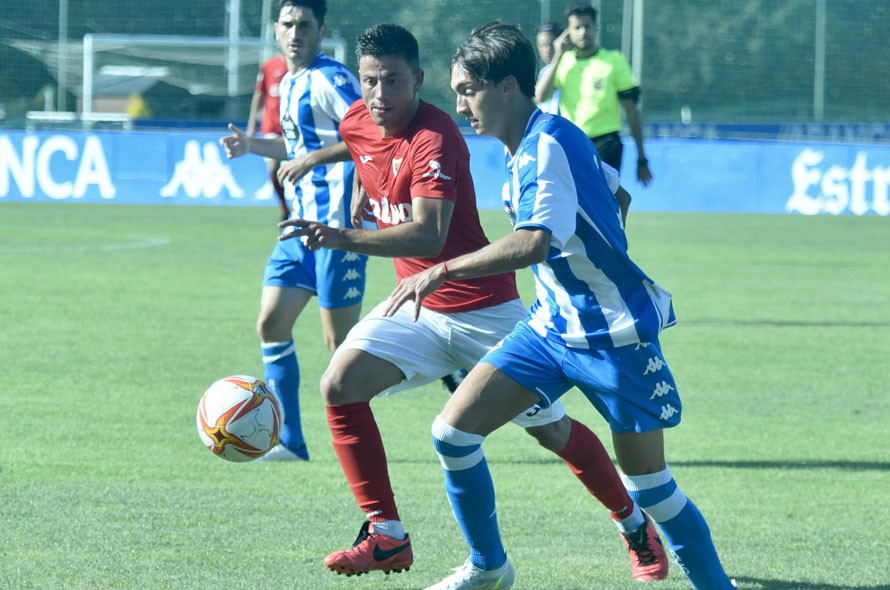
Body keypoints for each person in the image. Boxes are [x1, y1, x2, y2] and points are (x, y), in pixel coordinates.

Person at [278, 22, 667, 582]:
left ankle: (633, 525)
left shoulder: (438, 137)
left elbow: (428, 235)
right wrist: (362, 186)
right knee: (338, 383)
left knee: (552, 431)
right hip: (417, 305)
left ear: (418, 79)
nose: (380, 95)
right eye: (369, 81)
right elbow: (364, 143)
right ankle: (386, 532)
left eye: (393, 81)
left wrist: (342, 235)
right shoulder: (359, 120)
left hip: (486, 310)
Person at [386, 22, 734, 590]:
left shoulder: (545, 144)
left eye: (468, 89)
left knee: (652, 488)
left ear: (507, 88)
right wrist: (598, 250)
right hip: (548, 330)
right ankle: (488, 567)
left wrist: (443, 269)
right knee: (453, 433)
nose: (459, 104)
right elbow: (615, 192)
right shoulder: (534, 140)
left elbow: (533, 244)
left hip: (613, 336)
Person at [219, 0, 366, 462]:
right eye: (288, 24)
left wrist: (335, 174)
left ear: (322, 30)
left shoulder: (331, 78)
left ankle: (378, 413)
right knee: (271, 321)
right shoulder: (288, 80)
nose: (295, 32)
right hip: (297, 229)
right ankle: (289, 441)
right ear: (276, 31)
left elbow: (371, 133)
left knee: (340, 348)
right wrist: (251, 145)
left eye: (305, 24)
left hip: (334, 229)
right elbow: (297, 145)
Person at [535, 2, 653, 186]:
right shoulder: (563, 62)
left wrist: (642, 158)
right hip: (572, 143)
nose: (583, 32)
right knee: (574, 203)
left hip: (607, 144)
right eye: (577, 27)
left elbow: (631, 111)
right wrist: (557, 56)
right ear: (568, 32)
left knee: (602, 202)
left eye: (587, 26)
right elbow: (540, 97)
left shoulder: (614, 61)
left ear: (596, 28)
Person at [247, 54, 291, 219]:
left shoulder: (303, 66)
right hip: (272, 127)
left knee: (300, 168)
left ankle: (302, 207)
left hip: (293, 128)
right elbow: (259, 95)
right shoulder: (268, 66)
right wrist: (252, 124)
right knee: (273, 170)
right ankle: (284, 208)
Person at [534, 22, 562, 115]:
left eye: (551, 44)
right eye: (542, 45)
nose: (547, 50)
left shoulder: (569, 66)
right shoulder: (543, 72)